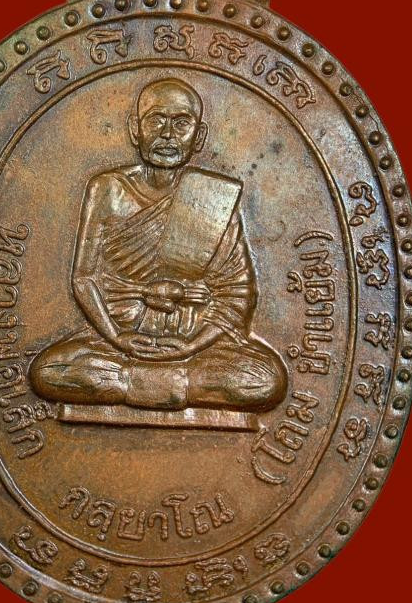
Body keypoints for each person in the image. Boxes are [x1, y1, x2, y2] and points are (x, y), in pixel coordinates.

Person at [30, 78, 287, 412]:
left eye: (181, 124)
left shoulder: (215, 198)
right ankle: (175, 384)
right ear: (135, 129)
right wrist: (117, 337)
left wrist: (190, 346)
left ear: (199, 136)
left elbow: (237, 293)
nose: (167, 134)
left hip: (196, 344)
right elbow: (85, 278)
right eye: (156, 121)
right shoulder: (107, 189)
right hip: (116, 339)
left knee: (267, 380)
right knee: (48, 371)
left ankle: (132, 382)